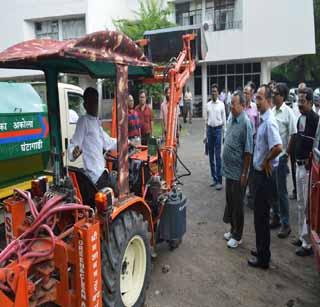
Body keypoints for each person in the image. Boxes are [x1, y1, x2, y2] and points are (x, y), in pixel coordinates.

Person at [248, 85, 282, 270]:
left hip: (264, 176)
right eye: (256, 98)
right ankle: (261, 250)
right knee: (258, 217)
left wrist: (267, 160)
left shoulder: (269, 122)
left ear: (269, 101)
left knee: (261, 217)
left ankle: (263, 259)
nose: (257, 102)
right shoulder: (263, 119)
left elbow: (278, 146)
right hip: (259, 174)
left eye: (260, 98)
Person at [68, 87, 117, 189]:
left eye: (96, 102)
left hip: (101, 173)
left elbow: (108, 142)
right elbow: (74, 145)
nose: (95, 105)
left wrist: (126, 142)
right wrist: (73, 152)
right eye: (91, 102)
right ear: (85, 105)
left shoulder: (96, 123)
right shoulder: (83, 121)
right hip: (95, 177)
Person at [222, 91, 253, 248]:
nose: (231, 106)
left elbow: (248, 151)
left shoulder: (246, 123)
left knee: (238, 204)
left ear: (242, 105)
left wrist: (244, 173)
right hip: (229, 171)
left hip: (238, 172)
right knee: (230, 202)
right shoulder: (232, 119)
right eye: (230, 103)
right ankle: (232, 229)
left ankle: (238, 235)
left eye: (233, 104)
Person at [292, 87, 319, 256]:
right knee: (300, 203)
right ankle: (302, 236)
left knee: (308, 205)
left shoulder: (315, 119)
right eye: (298, 101)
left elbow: (313, 145)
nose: (299, 104)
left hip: (309, 168)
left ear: (310, 101)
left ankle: (307, 243)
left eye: (302, 101)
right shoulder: (300, 118)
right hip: (298, 165)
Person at [270, 83, 297, 239]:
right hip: (271, 157)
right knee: (273, 190)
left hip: (281, 157)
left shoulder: (288, 113)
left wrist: (287, 154)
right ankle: (276, 217)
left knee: (282, 192)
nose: (273, 95)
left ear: (283, 96)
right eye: (273, 93)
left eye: (276, 93)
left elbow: (293, 135)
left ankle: (286, 224)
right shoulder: (272, 111)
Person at [204, 84, 226, 190]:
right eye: (212, 91)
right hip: (209, 131)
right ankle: (214, 178)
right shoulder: (208, 105)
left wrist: (224, 134)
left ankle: (219, 180)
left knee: (218, 156)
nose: (214, 93)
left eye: (215, 91)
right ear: (211, 93)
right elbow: (206, 121)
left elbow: (224, 120)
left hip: (218, 131)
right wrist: (205, 136)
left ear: (218, 93)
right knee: (211, 157)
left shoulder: (221, 104)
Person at [243, 84, 259, 209]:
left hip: (252, 143)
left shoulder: (255, 108)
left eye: (247, 93)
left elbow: (258, 125)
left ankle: (252, 197)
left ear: (252, 94)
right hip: (241, 144)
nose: (245, 95)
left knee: (251, 172)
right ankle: (241, 195)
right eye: (244, 92)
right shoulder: (239, 107)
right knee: (242, 170)